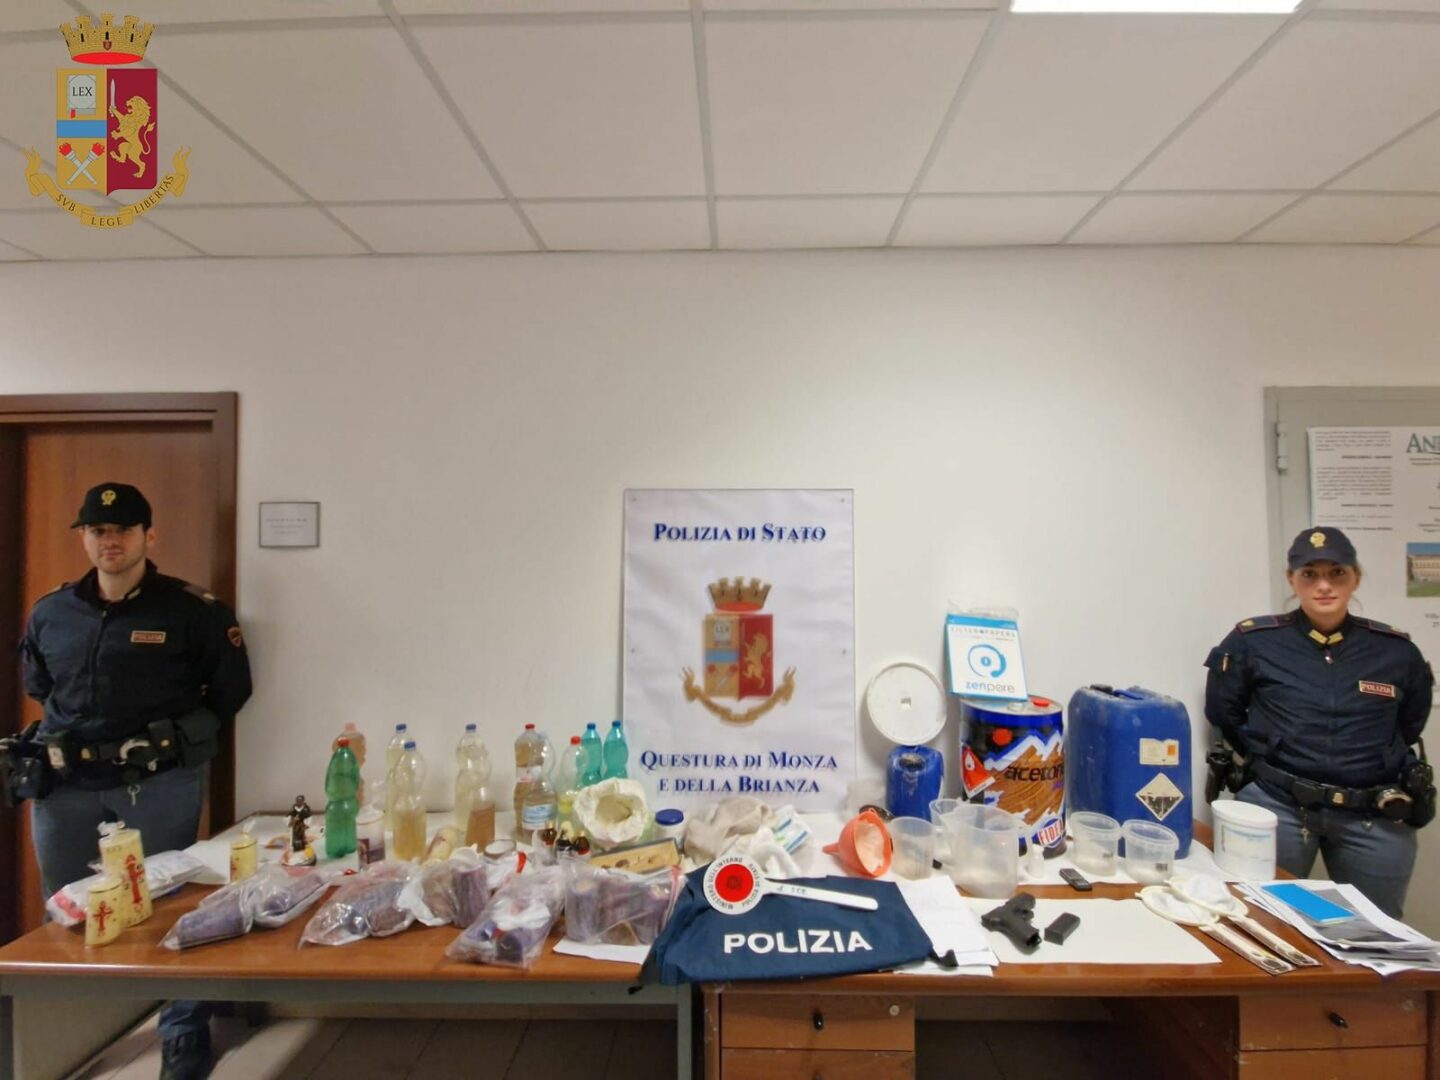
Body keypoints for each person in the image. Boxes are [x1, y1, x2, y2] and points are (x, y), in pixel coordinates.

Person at [17, 482, 252, 1080]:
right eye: (97, 530)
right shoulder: (51, 611)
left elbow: (230, 689)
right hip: (67, 787)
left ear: (149, 535)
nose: (109, 541)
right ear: (85, 538)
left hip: (157, 783)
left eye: (122, 529)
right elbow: (38, 684)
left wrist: (176, 739)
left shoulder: (191, 611)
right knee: (67, 906)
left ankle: (182, 1034)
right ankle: (66, 1040)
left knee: (171, 906)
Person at [1204, 526, 1434, 918]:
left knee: (1371, 929)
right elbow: (1224, 712)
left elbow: (1411, 723)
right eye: (1310, 574)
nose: (1324, 585)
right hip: (1280, 806)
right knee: (1266, 918)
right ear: (1291, 579)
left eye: (1337, 573)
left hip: (1372, 816)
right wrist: (1272, 755)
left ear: (1355, 578)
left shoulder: (1395, 652)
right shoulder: (1254, 641)